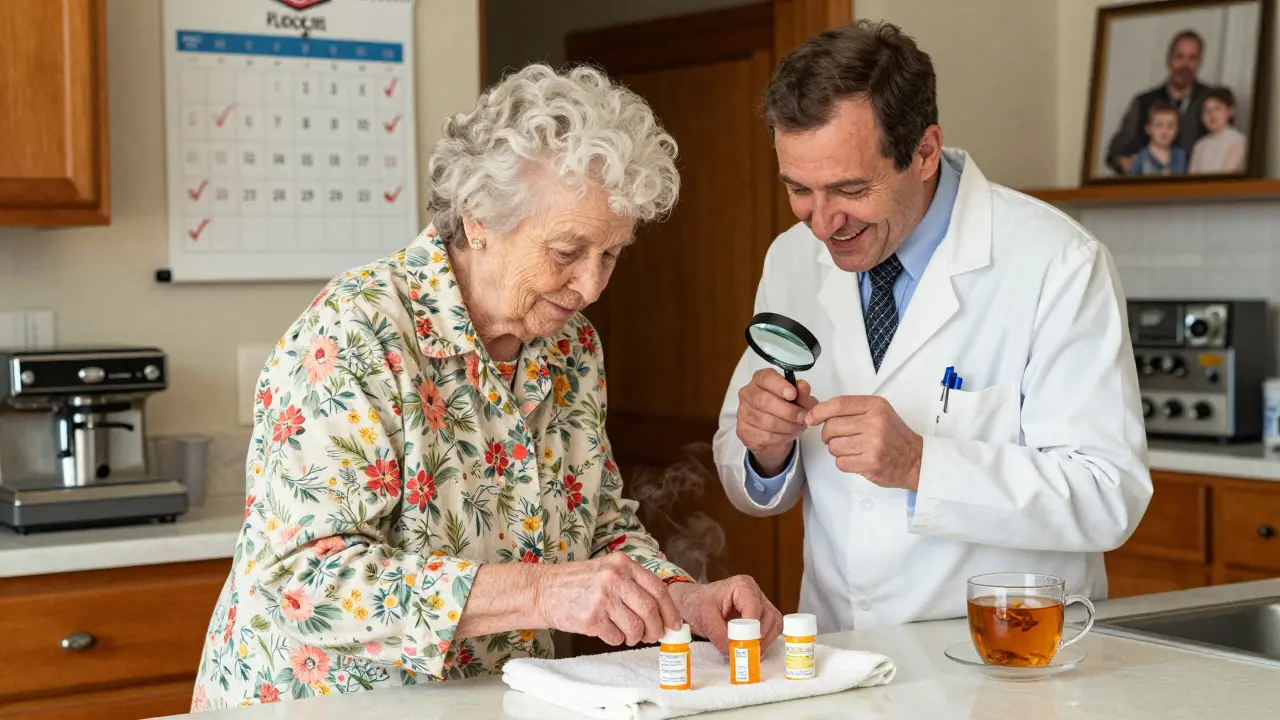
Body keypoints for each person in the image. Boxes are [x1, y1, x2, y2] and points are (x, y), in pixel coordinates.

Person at [191, 63, 782, 711]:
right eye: (567, 251)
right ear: (478, 219)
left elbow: (600, 528)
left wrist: (682, 597)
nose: (591, 286)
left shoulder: (571, 347)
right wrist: (538, 592)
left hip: (481, 700)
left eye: (611, 254)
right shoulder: (357, 334)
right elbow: (302, 580)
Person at [713, 21, 1152, 635]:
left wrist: (922, 464)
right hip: (842, 651)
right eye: (798, 189)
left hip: (1006, 653)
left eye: (849, 188)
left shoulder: (1057, 263)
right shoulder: (791, 258)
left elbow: (1109, 495)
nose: (821, 222)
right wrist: (765, 450)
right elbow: (747, 471)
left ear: (923, 152)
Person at [1105, 29, 1211, 175]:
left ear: (1199, 62)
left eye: (1192, 58)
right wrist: (1123, 162)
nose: (1185, 65)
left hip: (1198, 189)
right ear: (1168, 59)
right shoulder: (1144, 101)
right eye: (1179, 57)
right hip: (1149, 188)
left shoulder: (1210, 100)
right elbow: (1116, 151)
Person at [1189, 86, 1248, 174]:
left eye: (1217, 109)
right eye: (1207, 111)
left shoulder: (1238, 140)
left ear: (1231, 111)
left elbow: (1227, 172)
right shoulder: (1200, 145)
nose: (1212, 115)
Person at [1127, 100, 1188, 176]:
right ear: (1148, 129)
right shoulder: (1141, 159)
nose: (1164, 132)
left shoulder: (1180, 156)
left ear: (1177, 130)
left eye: (1170, 126)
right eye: (1159, 125)